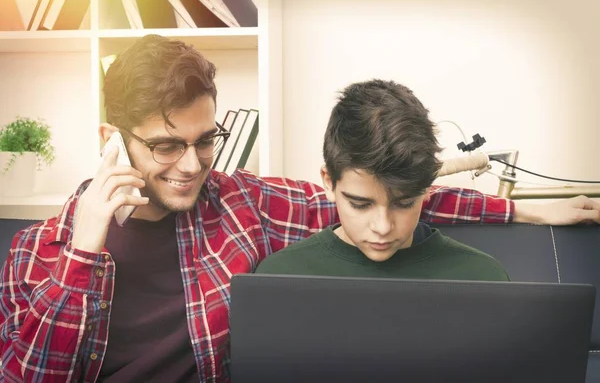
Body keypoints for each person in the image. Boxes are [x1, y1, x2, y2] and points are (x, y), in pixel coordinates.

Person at [0, 34, 598, 383]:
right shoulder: (38, 251)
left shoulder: (239, 205)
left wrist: (529, 214)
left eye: (206, 139)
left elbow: (378, 190)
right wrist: (83, 253)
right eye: (165, 145)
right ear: (111, 138)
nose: (191, 164)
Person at [255, 79, 510, 281]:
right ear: (329, 182)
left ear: (428, 187)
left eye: (404, 203)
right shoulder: (278, 277)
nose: (383, 227)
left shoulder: (483, 278)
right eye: (360, 204)